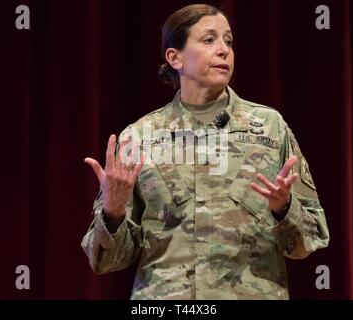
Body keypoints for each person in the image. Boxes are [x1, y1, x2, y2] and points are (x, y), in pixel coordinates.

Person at [81, 4, 329, 300]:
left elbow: (310, 240)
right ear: (175, 57)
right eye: (209, 40)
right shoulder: (140, 137)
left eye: (228, 41)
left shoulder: (269, 128)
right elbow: (105, 261)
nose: (224, 50)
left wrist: (284, 208)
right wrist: (113, 212)